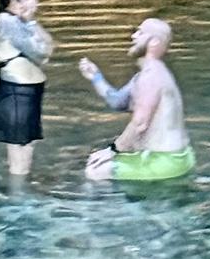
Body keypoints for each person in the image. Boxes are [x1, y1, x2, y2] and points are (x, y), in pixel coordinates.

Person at [79, 17, 195, 182]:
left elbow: (140, 124)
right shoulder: (147, 75)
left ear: (154, 42)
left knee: (95, 171)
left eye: (140, 32)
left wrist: (111, 150)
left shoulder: (150, 77)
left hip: (166, 162)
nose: (133, 36)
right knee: (102, 161)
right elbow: (117, 101)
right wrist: (96, 77)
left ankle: (119, 208)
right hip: (179, 157)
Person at [0, 0, 53, 176]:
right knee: (19, 152)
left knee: (28, 146)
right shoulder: (7, 21)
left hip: (28, 91)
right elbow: (40, 53)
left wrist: (31, 21)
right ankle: (18, 200)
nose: (35, 0)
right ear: (14, 1)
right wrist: (42, 47)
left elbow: (50, 45)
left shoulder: (22, 22)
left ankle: (20, 194)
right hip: (16, 93)